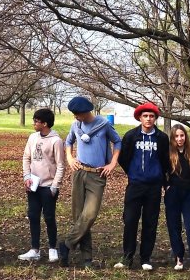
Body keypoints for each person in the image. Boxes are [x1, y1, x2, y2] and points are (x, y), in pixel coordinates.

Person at [57, 96, 122, 268]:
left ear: (86, 112)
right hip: (79, 173)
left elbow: (117, 141)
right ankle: (87, 259)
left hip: (97, 175)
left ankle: (66, 245)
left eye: (77, 114)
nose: (75, 117)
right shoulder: (75, 125)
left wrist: (112, 163)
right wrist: (70, 158)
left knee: (90, 214)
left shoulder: (104, 124)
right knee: (79, 216)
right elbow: (68, 141)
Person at [115, 102, 170, 271]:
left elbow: (165, 160)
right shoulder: (131, 136)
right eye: (145, 116)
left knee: (150, 222)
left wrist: (162, 180)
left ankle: (145, 258)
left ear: (155, 119)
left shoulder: (161, 138)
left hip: (154, 187)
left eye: (151, 116)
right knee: (130, 220)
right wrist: (133, 173)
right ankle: (127, 257)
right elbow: (123, 158)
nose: (148, 119)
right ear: (140, 117)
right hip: (135, 185)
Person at [18, 108, 66, 263]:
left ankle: (53, 248)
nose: (34, 123)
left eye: (36, 121)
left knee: (49, 217)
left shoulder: (56, 141)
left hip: (48, 186)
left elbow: (60, 165)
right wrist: (26, 176)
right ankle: (34, 249)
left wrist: (55, 186)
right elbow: (26, 158)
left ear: (45, 123)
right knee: (33, 216)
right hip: (33, 185)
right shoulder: (32, 137)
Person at [165, 124, 190, 275]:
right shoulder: (168, 154)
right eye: (176, 136)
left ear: (185, 136)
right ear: (173, 138)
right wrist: (166, 186)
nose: (180, 139)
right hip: (173, 194)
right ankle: (179, 257)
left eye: (182, 135)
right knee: (174, 227)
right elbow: (163, 172)